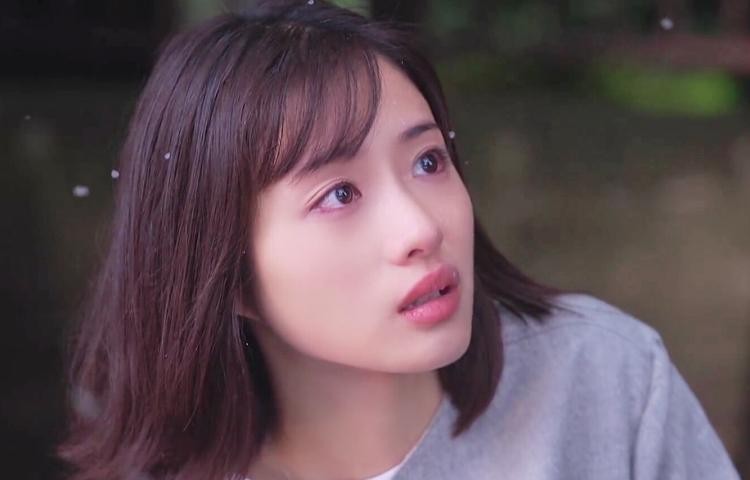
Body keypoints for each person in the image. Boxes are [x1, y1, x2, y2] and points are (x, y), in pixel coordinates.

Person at [58, 1, 741, 479]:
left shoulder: (603, 379)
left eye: (428, 161)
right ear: (228, 275)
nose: (421, 228)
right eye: (339, 195)